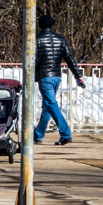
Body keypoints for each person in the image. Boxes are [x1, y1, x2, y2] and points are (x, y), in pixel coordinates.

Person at [34, 14, 85, 145]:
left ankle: (66, 134)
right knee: (48, 106)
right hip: (57, 76)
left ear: (40, 25)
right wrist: (78, 75)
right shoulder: (60, 39)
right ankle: (38, 135)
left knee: (51, 105)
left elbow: (34, 60)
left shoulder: (37, 39)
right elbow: (70, 58)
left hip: (45, 77)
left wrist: (30, 77)